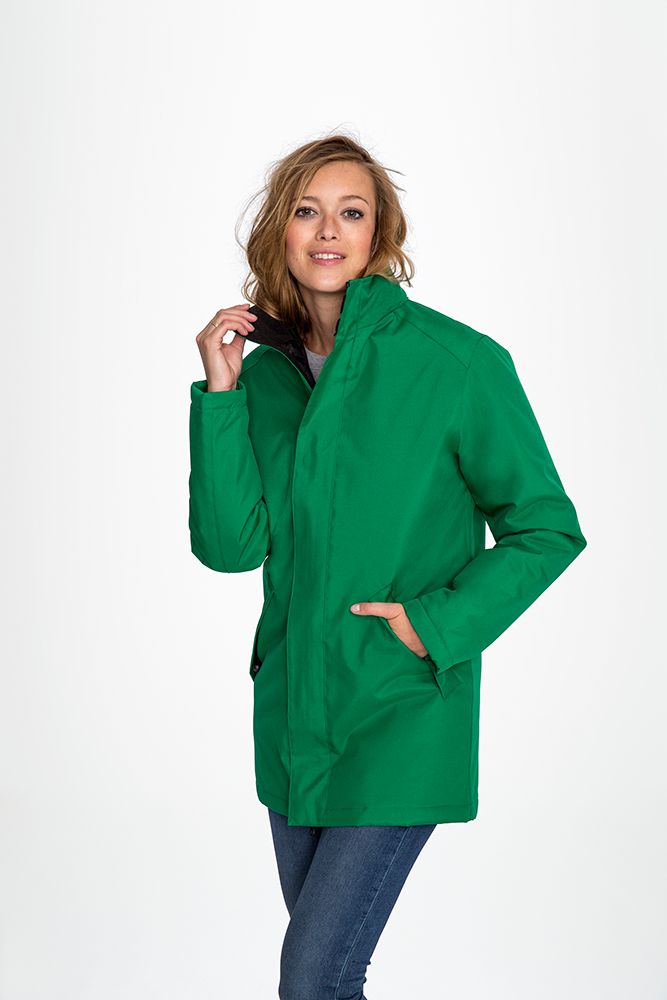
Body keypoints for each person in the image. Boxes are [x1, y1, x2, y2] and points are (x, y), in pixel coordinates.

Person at [188, 133, 587, 998]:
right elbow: (230, 548)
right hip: (294, 716)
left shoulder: (454, 364)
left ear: (380, 235)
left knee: (312, 977)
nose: (328, 230)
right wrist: (219, 393)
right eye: (307, 210)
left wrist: (432, 623)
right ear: (281, 230)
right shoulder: (263, 379)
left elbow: (546, 526)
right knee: (327, 981)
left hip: (399, 709)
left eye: (352, 212)